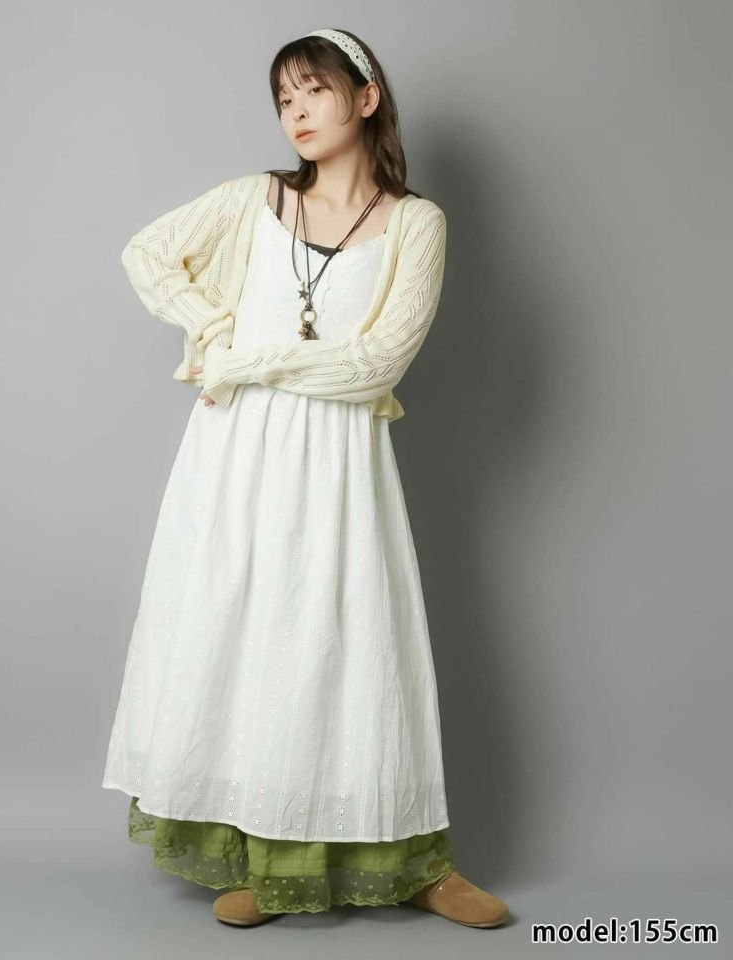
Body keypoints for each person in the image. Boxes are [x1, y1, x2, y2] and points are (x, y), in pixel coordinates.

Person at [102, 27, 510, 929]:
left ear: (365, 96)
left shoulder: (416, 224)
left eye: (313, 90)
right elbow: (147, 254)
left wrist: (247, 359)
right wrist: (212, 326)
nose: (295, 112)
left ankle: (413, 864)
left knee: (351, 649)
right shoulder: (252, 201)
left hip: (338, 460)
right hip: (233, 455)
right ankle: (269, 859)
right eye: (283, 98)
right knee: (245, 643)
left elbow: (377, 363)